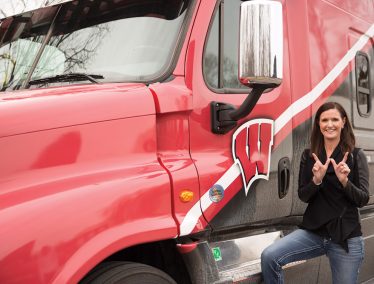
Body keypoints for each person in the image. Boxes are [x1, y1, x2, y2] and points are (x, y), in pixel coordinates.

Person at [261, 101, 370, 284]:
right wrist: (316, 180)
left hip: (346, 238)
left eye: (334, 119)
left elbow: (362, 199)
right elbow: (304, 196)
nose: (329, 124)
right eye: (324, 120)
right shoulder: (309, 156)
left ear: (343, 122)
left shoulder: (355, 155)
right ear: (318, 124)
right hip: (314, 233)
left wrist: (344, 181)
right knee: (270, 256)